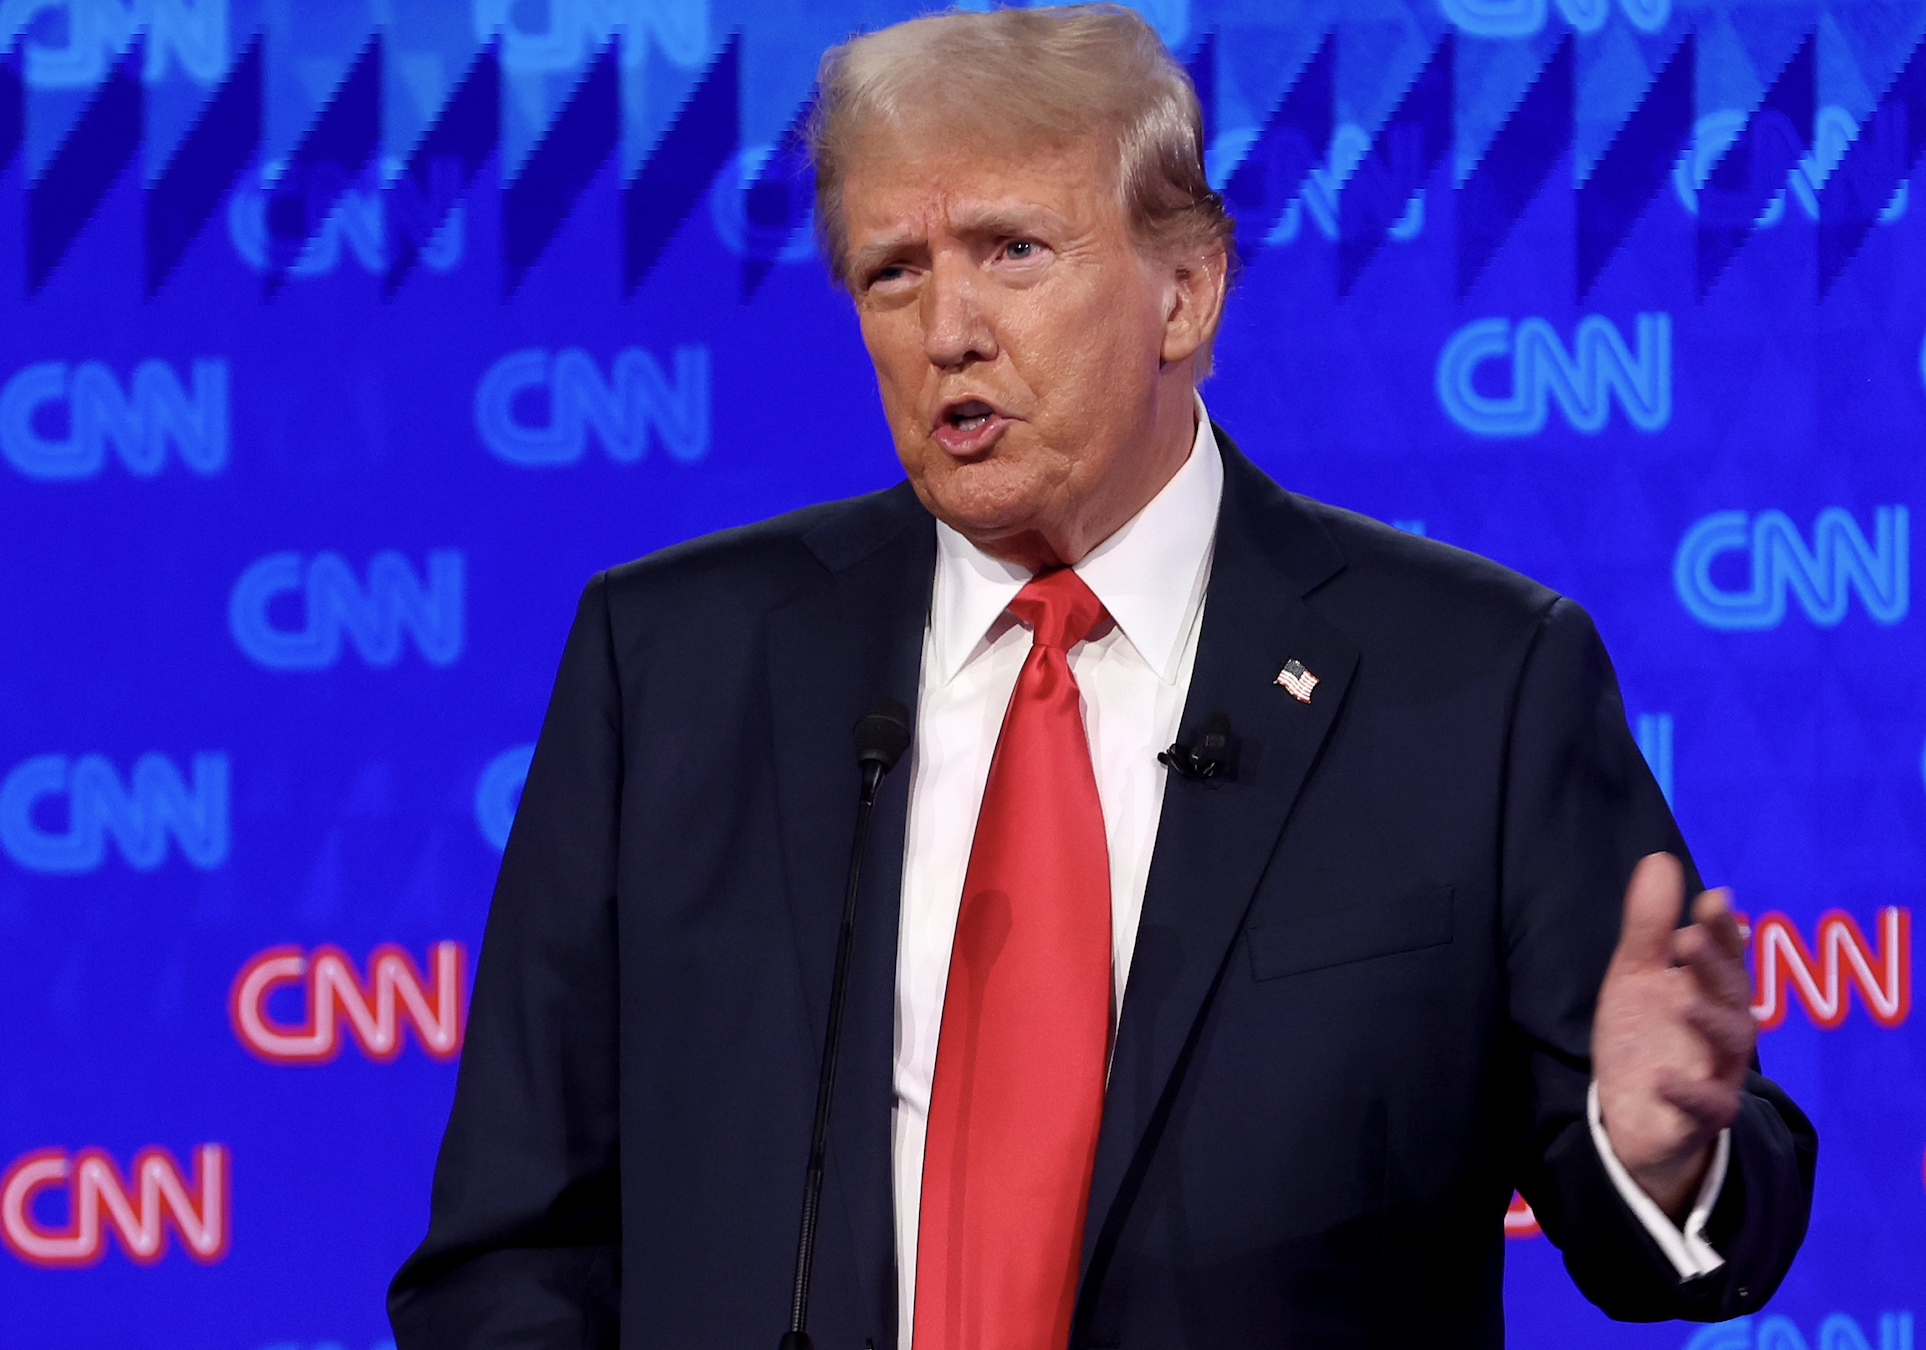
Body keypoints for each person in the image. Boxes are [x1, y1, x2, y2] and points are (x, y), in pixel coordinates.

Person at [389, 7, 1815, 1347]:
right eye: (894, 270)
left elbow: (1676, 1205)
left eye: (1012, 251)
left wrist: (1662, 1155)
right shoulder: (672, 664)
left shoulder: (1474, 682)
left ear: (1183, 292)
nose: (946, 326)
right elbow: (514, 1245)